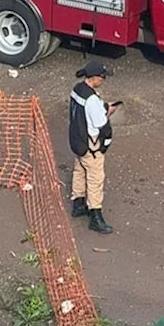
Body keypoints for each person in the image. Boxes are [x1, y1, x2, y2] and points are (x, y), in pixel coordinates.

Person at [68, 59, 117, 234]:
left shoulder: (77, 90)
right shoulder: (92, 100)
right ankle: (95, 216)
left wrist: (102, 106)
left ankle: (78, 204)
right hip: (91, 144)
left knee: (79, 171)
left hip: (78, 141)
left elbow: (85, 112)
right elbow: (101, 124)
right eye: (102, 77)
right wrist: (107, 113)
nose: (103, 80)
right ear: (95, 78)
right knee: (95, 179)